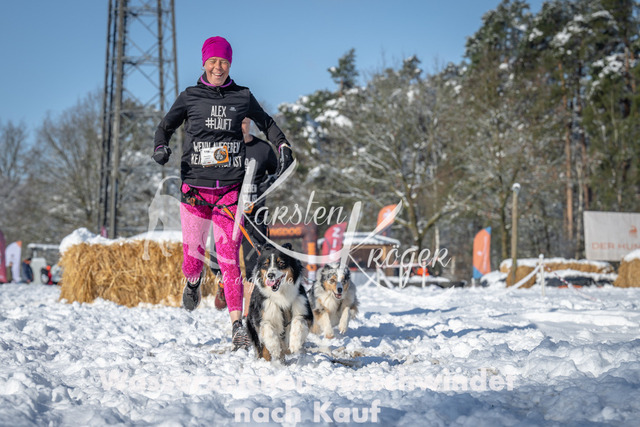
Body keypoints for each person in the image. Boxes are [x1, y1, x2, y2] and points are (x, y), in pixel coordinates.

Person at [152, 36, 294, 351]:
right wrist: (160, 146)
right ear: (204, 63)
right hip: (195, 191)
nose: (218, 67)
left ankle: (237, 326)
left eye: (224, 62)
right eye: (213, 61)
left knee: (229, 259)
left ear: (230, 64)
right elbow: (165, 127)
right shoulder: (190, 97)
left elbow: (267, 123)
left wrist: (282, 144)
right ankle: (192, 282)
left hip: (230, 191)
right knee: (193, 259)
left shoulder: (242, 96)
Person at [211, 118, 278, 313]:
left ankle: (249, 316)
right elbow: (211, 176)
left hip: (255, 214)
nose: (241, 126)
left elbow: (275, 174)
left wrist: (266, 185)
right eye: (237, 122)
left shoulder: (263, 149)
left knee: (254, 265)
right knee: (219, 260)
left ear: (250, 124)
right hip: (227, 212)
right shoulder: (222, 148)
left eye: (244, 122)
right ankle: (223, 283)